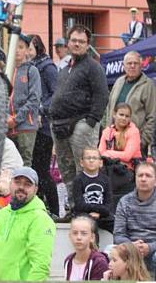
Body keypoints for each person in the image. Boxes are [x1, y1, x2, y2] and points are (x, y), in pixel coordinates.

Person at [49, 24, 109, 201]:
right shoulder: (65, 67)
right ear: (68, 42)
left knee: (84, 167)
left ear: (87, 45)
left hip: (82, 123)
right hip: (60, 124)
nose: (77, 44)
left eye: (81, 42)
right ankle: (72, 205)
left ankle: (87, 205)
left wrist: (91, 121)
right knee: (66, 169)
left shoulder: (93, 67)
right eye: (74, 40)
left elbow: (102, 95)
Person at [0, 167, 56, 280]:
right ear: (10, 184)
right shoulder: (0, 215)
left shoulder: (41, 219)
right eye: (17, 182)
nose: (21, 187)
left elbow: (40, 267)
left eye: (27, 184)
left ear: (36, 189)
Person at [112, 161, 156, 280]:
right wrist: (131, 246)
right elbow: (118, 234)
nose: (143, 179)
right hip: (131, 251)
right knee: (108, 251)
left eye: (148, 176)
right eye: (140, 175)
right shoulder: (124, 202)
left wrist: (150, 247)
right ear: (135, 178)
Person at [28, 34, 60, 217]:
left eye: (30, 49)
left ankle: (54, 210)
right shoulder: (29, 68)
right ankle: (38, 209)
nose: (27, 52)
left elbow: (55, 94)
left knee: (42, 170)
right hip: (32, 125)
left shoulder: (47, 68)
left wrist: (41, 109)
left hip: (45, 127)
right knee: (33, 170)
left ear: (37, 49)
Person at [103, 51, 156, 155]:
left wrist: (142, 141)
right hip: (114, 140)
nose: (132, 66)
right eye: (129, 63)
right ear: (124, 66)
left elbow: (153, 116)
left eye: (136, 63)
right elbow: (110, 109)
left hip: (135, 142)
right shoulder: (118, 82)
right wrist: (108, 133)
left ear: (141, 65)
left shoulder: (148, 85)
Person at [7, 34, 41, 166]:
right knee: (8, 163)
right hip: (7, 126)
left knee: (24, 162)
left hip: (26, 126)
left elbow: (34, 99)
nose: (16, 50)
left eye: (21, 47)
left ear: (27, 50)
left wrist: (16, 119)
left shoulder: (32, 71)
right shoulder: (6, 70)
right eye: (14, 46)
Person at [71, 147, 113, 232]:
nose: (91, 160)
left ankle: (120, 244)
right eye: (88, 158)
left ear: (101, 162)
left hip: (102, 215)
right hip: (84, 215)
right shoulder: (78, 180)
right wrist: (96, 210)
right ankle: (94, 245)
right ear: (81, 162)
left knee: (117, 224)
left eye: (94, 158)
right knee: (90, 226)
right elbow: (79, 205)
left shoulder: (106, 180)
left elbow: (108, 205)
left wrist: (99, 213)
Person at [63, 215, 110, 281]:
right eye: (75, 233)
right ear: (69, 236)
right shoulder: (68, 260)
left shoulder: (99, 262)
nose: (78, 237)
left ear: (92, 237)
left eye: (84, 233)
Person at [99, 103, 143, 169]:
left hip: (128, 169)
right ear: (114, 114)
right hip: (109, 166)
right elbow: (100, 152)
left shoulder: (134, 131)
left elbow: (127, 156)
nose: (124, 118)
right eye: (121, 115)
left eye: (127, 116)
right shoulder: (107, 131)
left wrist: (107, 153)